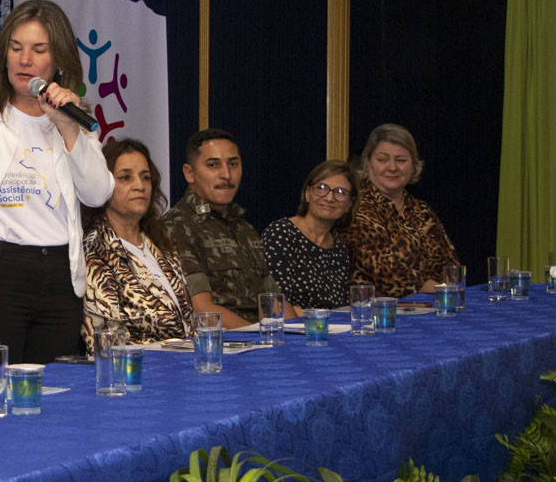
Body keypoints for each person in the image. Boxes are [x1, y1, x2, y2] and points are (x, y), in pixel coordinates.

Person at [0, 0, 114, 364]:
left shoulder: (72, 119)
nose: (25, 60)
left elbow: (99, 193)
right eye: (16, 48)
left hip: (58, 276)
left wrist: (68, 128)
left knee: (50, 394)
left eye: (39, 50)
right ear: (3, 55)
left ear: (58, 61)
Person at [161, 128, 298, 328]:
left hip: (260, 341)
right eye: (213, 165)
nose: (226, 175)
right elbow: (202, 310)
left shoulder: (244, 228)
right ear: (189, 173)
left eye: (233, 164)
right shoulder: (177, 227)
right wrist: (259, 339)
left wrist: (295, 337)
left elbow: (274, 301)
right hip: (220, 346)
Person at [81, 138, 191, 352]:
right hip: (138, 372)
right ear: (103, 184)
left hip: (182, 364)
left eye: (145, 177)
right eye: (125, 178)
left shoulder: (162, 246)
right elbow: (104, 343)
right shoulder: (96, 250)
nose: (139, 186)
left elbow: (186, 322)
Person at [341, 123, 460, 297]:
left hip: (433, 306)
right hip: (376, 313)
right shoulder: (356, 207)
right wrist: (443, 290)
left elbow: (450, 264)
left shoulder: (421, 208)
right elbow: (388, 275)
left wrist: (449, 290)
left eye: (401, 160)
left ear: (413, 164)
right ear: (367, 163)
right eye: (382, 159)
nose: (392, 167)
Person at [261, 160, 359, 309]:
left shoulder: (339, 249)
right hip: (290, 327)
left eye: (340, 192)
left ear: (348, 205)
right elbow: (274, 302)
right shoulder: (281, 234)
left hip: (331, 327)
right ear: (307, 194)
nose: (329, 198)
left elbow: (342, 307)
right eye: (321, 188)